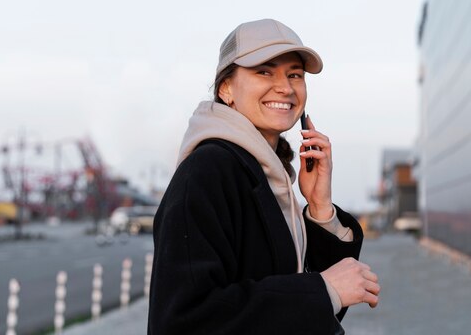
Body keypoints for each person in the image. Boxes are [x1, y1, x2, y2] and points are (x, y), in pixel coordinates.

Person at [148, 18, 380, 334]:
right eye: (264, 71)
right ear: (226, 88)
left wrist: (319, 207)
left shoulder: (266, 173)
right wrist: (323, 290)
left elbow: (305, 313)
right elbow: (184, 321)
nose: (285, 87)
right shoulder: (207, 173)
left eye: (295, 74)